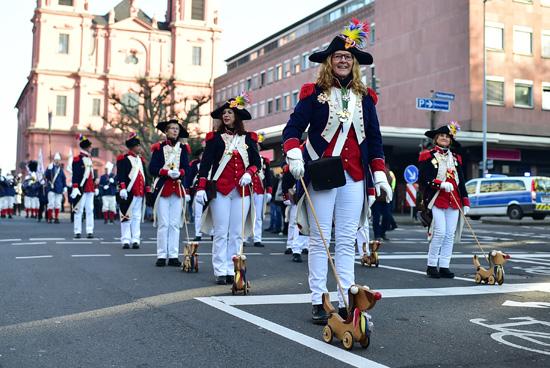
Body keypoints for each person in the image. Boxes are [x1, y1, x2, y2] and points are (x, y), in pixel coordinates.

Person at [282, 19, 392, 323]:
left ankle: (345, 295)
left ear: (354, 64)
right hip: (322, 173)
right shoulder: (313, 93)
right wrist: (294, 153)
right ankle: (319, 298)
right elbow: (293, 128)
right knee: (319, 239)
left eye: (348, 57)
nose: (343, 60)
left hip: (355, 175)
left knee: (346, 239)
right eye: (338, 56)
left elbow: (375, 139)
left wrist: (379, 174)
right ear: (330, 62)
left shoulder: (366, 98)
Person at [194, 93, 261, 285]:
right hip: (220, 190)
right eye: (224, 112)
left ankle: (234, 269)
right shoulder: (214, 139)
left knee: (237, 233)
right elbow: (205, 165)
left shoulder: (248, 139)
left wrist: (250, 173)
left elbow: (257, 163)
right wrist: (201, 187)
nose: (226, 115)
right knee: (221, 231)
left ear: (237, 116)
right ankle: (220, 270)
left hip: (242, 191)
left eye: (230, 112)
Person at [418, 121, 470, 279]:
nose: (444, 138)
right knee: (439, 232)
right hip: (436, 199)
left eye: (447, 136)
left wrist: (465, 201)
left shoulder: (456, 158)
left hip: (454, 201)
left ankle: (445, 266)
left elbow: (461, 180)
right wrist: (440, 184)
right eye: (441, 136)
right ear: (435, 139)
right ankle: (432, 265)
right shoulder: (427, 155)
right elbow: (424, 178)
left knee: (449, 235)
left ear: (451, 140)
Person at [148, 119, 190, 267]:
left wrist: (180, 172)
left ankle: (173, 255)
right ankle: (161, 255)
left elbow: (187, 168)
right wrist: (166, 172)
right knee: (164, 224)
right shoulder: (159, 148)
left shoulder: (183, 149)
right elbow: (152, 169)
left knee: (174, 224)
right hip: (163, 188)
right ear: (166, 131)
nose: (174, 131)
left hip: (177, 188)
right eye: (171, 128)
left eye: (176, 129)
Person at [116, 133, 149, 250]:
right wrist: (123, 187)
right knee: (126, 216)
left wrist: (147, 188)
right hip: (129, 192)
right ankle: (125, 239)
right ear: (132, 147)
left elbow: (144, 175)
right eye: (138, 146)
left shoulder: (141, 161)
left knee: (136, 217)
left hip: (139, 193)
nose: (140, 147)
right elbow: (121, 175)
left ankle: (135, 239)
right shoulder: (124, 159)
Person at [70, 135, 98, 239]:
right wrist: (76, 186)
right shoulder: (78, 159)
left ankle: (89, 230)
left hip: (90, 188)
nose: (91, 148)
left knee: (90, 209)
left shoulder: (89, 158)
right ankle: (77, 231)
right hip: (81, 187)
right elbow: (76, 174)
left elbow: (91, 175)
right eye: (89, 146)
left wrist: (95, 185)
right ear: (86, 147)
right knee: (79, 210)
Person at [248, 135, 273, 247]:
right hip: (248, 190)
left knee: (258, 216)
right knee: (247, 215)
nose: (256, 146)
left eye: (258, 145)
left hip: (260, 191)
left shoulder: (264, 161)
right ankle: (244, 237)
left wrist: (269, 191)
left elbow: (268, 176)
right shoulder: (247, 159)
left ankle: (257, 238)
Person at [281, 164, 308, 262]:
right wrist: (286, 196)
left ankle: (306, 245)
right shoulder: (294, 162)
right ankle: (294, 247)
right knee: (295, 222)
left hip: (311, 192)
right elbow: (287, 179)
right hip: (298, 195)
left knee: (309, 223)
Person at [185, 148, 204, 241]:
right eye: (201, 155)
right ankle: (198, 233)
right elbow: (188, 178)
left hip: (210, 191)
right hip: (197, 191)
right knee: (198, 214)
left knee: (212, 214)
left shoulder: (214, 163)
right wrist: (187, 191)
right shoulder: (193, 165)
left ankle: (213, 233)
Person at [44, 152, 67, 223]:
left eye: (58, 160)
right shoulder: (50, 167)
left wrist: (65, 186)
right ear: (54, 160)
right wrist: (48, 169)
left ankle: (56, 218)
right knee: (51, 203)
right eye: (56, 160)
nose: (57, 161)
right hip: (51, 188)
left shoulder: (60, 169)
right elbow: (45, 176)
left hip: (59, 188)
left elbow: (63, 179)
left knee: (58, 204)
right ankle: (50, 217)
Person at [371, 170, 392, 241]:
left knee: (387, 216)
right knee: (376, 218)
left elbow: (390, 182)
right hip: (376, 200)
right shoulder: (373, 170)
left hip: (385, 200)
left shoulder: (387, 172)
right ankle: (377, 235)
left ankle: (382, 233)